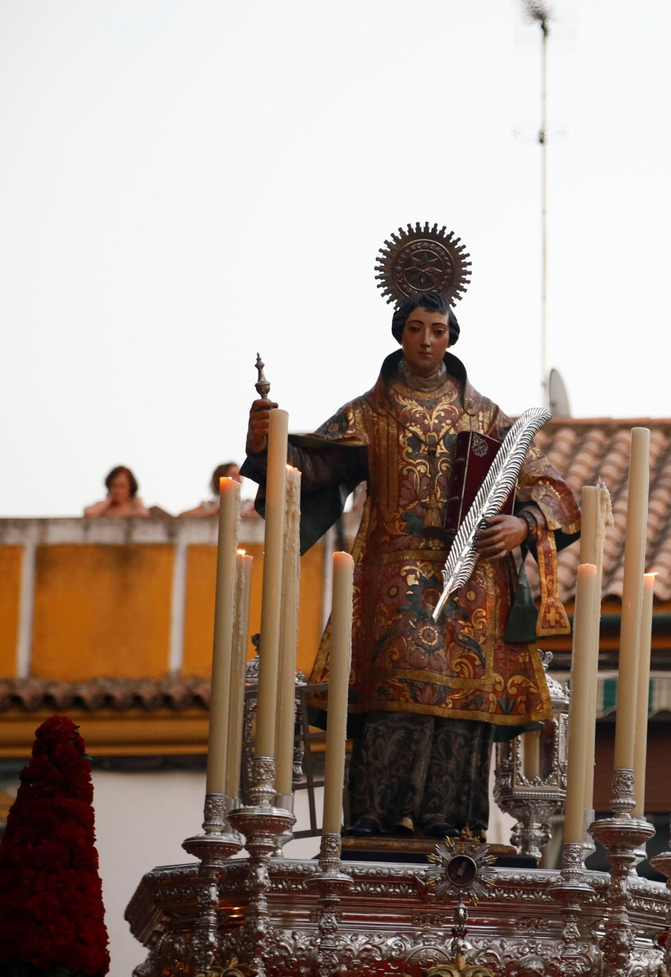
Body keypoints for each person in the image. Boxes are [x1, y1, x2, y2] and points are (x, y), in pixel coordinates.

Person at [241, 225, 579, 839]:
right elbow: (312, 466)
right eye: (417, 328)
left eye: (440, 330)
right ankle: (375, 815)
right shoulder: (369, 412)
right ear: (399, 333)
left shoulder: (485, 415)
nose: (428, 340)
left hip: (471, 580)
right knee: (394, 695)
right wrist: (266, 445)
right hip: (390, 578)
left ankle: (452, 822)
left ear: (452, 338)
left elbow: (553, 488)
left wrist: (522, 523)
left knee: (458, 704)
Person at [178, 462, 257, 518]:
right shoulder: (208, 506)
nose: (238, 479)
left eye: (239, 476)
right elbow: (182, 515)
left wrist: (248, 515)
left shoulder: (248, 505)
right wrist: (210, 512)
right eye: (233, 475)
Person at [83, 466, 151, 517]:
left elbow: (144, 513)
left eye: (122, 486)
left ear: (130, 488)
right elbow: (88, 513)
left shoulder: (134, 503)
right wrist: (108, 501)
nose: (117, 490)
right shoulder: (104, 506)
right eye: (114, 486)